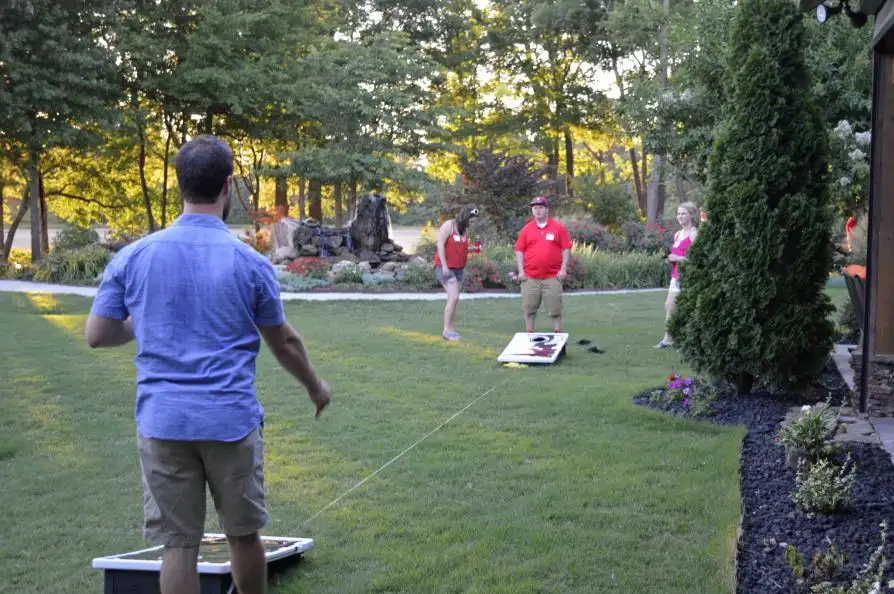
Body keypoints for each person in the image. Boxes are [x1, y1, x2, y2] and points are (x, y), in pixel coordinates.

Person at [84, 135, 332, 594]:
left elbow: (97, 335)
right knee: (243, 536)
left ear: (180, 185)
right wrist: (316, 388)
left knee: (177, 545)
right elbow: (285, 343)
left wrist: (142, 323)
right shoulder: (250, 262)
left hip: (162, 421)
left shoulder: (135, 256)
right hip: (230, 421)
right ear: (227, 186)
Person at [514, 196, 572, 333]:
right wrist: (521, 271)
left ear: (547, 210)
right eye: (535, 208)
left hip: (552, 277)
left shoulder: (558, 228)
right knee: (529, 309)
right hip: (530, 278)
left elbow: (566, 248)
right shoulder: (526, 230)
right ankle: (529, 335)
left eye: (540, 208)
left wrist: (563, 269)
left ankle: (558, 335)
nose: (537, 211)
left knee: (555, 310)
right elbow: (519, 250)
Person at [656, 201, 700, 348]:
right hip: (676, 276)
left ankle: (683, 339)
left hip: (688, 277)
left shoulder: (694, 234)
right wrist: (670, 258)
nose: (680, 216)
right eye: (678, 213)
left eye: (683, 213)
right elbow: (677, 255)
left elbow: (697, 259)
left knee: (683, 308)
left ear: (692, 215)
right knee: (669, 306)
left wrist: (678, 258)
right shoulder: (677, 234)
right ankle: (670, 339)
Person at [433, 204, 479, 340]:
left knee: (453, 300)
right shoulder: (449, 225)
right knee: (454, 297)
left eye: (474, 220)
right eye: (471, 220)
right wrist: (445, 267)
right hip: (445, 267)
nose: (473, 223)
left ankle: (452, 329)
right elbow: (440, 244)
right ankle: (446, 331)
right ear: (465, 216)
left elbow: (459, 247)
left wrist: (472, 249)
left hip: (459, 269)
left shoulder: (464, 231)